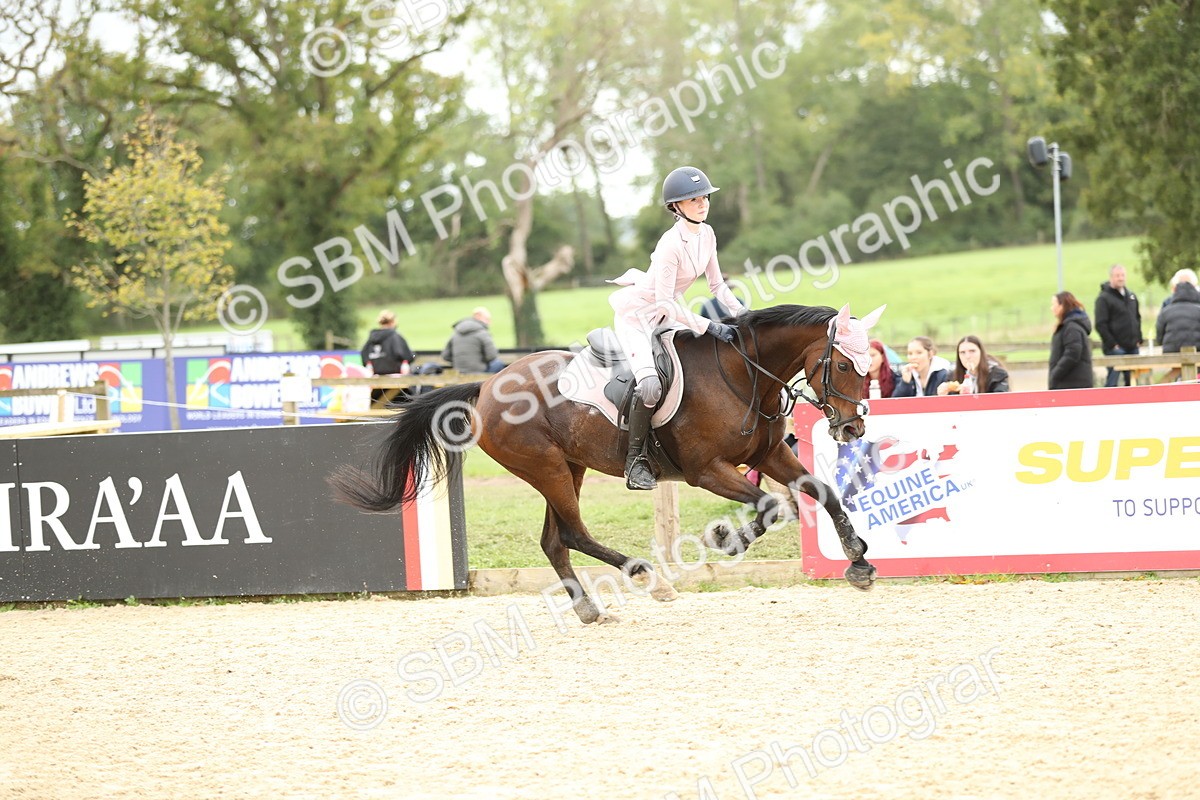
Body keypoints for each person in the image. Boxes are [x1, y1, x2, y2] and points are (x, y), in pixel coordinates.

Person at [607, 165, 747, 490]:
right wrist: (709, 326)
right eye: (693, 199)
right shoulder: (670, 245)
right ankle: (635, 462)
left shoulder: (708, 234)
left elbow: (717, 286)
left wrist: (744, 315)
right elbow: (667, 302)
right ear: (676, 206)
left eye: (704, 197)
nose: (702, 203)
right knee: (651, 387)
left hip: (668, 314)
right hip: (639, 318)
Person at [1094, 264, 1143, 387]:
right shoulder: (1103, 299)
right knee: (1112, 382)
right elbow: (1100, 324)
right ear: (1111, 277)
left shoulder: (1131, 296)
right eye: (1117, 276)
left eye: (1122, 275)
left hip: (1132, 346)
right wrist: (1113, 345)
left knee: (1132, 382)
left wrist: (1138, 339)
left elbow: (1137, 317)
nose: (1120, 278)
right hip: (1115, 349)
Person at [1155, 271, 1200, 382]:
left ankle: (1165, 388)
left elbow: (1159, 336)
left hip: (1172, 353)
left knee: (1174, 376)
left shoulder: (1166, 310)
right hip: (1197, 352)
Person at [1049, 291, 1094, 390]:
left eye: (1053, 304)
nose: (1051, 308)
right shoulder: (1068, 325)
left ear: (1061, 306)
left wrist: (1056, 373)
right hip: (1069, 382)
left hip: (1072, 383)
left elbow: (1073, 353)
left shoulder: (1071, 328)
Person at [937, 335, 1010, 395]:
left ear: (981, 353)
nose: (967, 356)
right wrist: (943, 395)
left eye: (972, 351)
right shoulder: (952, 376)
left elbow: (1001, 400)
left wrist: (971, 398)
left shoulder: (997, 374)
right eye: (962, 352)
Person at [441, 307, 504, 374]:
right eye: (487, 319)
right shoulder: (482, 333)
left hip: (459, 372)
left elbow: (445, 356)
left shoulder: (455, 333)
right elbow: (492, 355)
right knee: (498, 363)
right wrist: (481, 362)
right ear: (478, 316)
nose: (489, 322)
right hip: (480, 372)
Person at [361, 310, 415, 376]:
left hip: (375, 377)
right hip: (395, 376)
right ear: (392, 322)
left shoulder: (371, 338)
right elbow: (406, 355)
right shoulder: (395, 336)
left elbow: (364, 357)